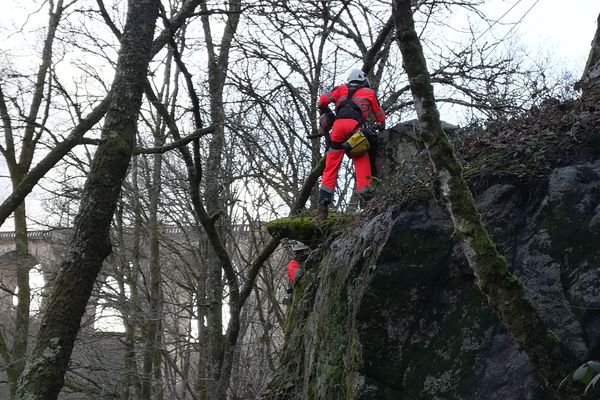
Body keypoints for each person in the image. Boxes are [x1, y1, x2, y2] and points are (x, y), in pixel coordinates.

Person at [316, 69, 386, 221]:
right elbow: (380, 115)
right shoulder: (368, 92)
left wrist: (326, 112)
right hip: (355, 129)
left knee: (331, 166)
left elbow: (321, 101)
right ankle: (367, 204)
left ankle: (322, 209)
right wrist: (381, 125)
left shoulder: (340, 89)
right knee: (361, 162)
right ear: (363, 81)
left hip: (338, 128)